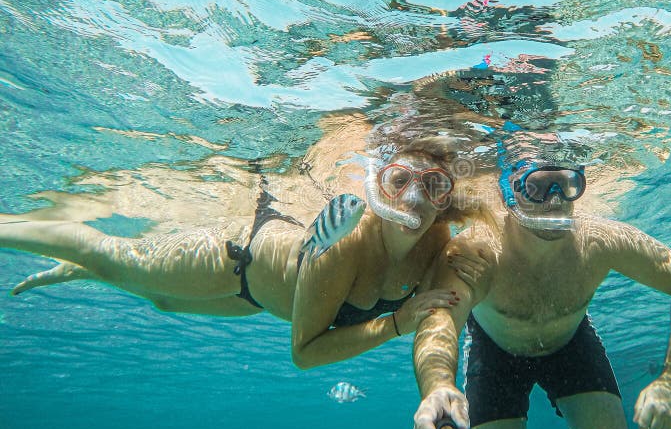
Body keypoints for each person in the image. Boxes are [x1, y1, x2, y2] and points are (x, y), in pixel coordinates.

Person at [1, 136, 479, 369]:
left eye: (433, 185)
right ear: (378, 187)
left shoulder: (438, 243)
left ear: (445, 198)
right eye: (399, 181)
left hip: (256, 304)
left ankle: (82, 271)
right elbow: (304, 353)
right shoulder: (344, 244)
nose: (414, 199)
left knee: (161, 300)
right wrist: (397, 323)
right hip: (235, 263)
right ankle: (25, 233)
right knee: (113, 255)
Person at [411, 154, 671, 429]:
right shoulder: (477, 252)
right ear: (508, 191)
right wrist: (438, 385)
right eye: (537, 187)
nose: (555, 201)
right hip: (495, 353)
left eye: (568, 185)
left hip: (571, 343)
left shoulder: (599, 240)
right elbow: (439, 320)